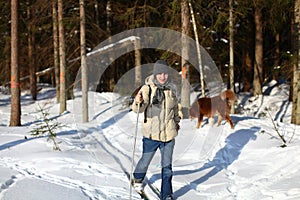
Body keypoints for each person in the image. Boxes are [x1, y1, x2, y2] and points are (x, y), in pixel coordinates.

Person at [131, 60, 181, 200]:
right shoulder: (147, 88)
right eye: (160, 74)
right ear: (155, 74)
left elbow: (175, 109)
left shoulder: (172, 89)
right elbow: (138, 109)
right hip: (151, 135)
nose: (163, 77)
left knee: (167, 168)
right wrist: (138, 101)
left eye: (165, 73)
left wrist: (176, 122)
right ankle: (138, 178)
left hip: (168, 135)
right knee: (145, 161)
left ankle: (167, 195)